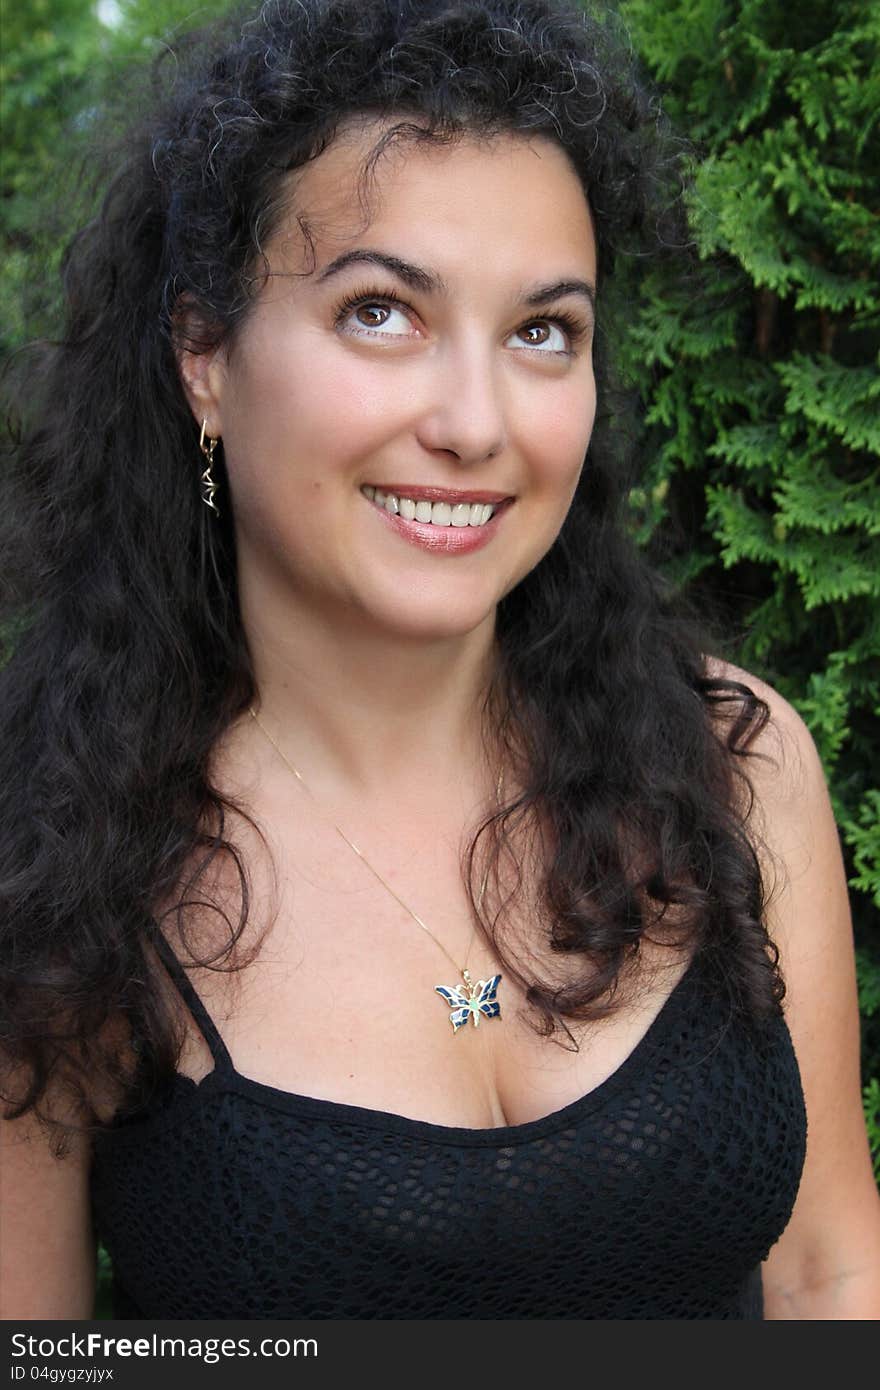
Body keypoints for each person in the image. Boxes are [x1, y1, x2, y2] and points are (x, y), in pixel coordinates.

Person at [1, 0, 878, 1323]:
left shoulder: (735, 764)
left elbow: (829, 1269)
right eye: (380, 312)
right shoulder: (62, 866)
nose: (476, 423)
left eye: (543, 332)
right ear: (202, 355)